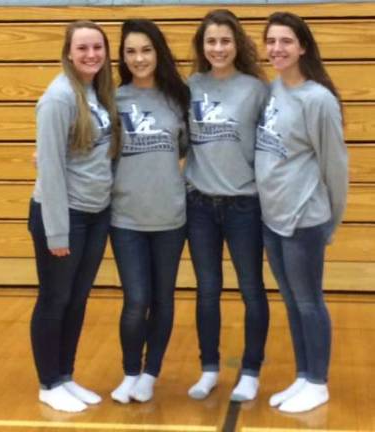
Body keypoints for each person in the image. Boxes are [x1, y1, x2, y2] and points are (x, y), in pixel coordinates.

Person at [256, 12, 348, 413]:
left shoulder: (318, 99)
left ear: (303, 47)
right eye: (271, 41)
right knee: (292, 301)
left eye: (286, 41)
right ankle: (302, 375)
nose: (277, 49)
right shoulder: (273, 90)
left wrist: (331, 221)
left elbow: (336, 167)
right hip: (271, 217)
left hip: (304, 218)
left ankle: (318, 381)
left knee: (309, 301)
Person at [28, 21, 120, 413]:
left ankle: (65, 375)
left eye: (97, 47)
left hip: (95, 214)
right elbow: (49, 169)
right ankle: (48, 383)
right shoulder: (58, 98)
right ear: (68, 52)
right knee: (55, 298)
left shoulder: (96, 92)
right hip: (63, 216)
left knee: (77, 298)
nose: (91, 55)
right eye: (82, 48)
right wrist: (56, 233)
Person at [185, 9, 269, 402]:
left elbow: (273, 144)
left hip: (244, 205)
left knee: (252, 290)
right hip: (199, 205)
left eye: (225, 41)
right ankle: (209, 368)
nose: (218, 48)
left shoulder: (255, 89)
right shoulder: (189, 87)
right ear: (202, 47)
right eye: (211, 41)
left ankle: (251, 370)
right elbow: (177, 141)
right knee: (207, 290)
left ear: (237, 44)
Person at [110, 19, 190, 404]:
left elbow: (192, 150)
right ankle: (130, 371)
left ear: (158, 52)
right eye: (130, 51)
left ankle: (150, 373)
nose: (139, 58)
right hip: (125, 218)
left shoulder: (179, 98)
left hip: (171, 218)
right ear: (122, 57)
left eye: (145, 50)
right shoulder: (113, 100)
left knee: (163, 298)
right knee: (136, 298)